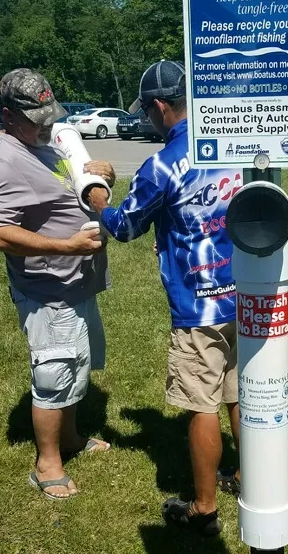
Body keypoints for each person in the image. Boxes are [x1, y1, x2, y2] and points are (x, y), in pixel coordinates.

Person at [87, 60, 242, 536]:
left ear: (158, 107)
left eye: (147, 113)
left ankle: (205, 508)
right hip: (247, 294)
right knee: (241, 393)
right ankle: (249, 476)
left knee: (203, 403)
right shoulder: (234, 140)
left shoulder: (161, 166)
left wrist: (95, 194)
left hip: (198, 304)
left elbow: (125, 225)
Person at [0, 68, 115, 500]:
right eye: (37, 119)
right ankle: (47, 464)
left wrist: (100, 175)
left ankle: (70, 437)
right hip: (48, 289)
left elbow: (72, 190)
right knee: (55, 373)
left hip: (74, 284)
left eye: (49, 115)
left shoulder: (39, 144)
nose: (48, 125)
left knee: (76, 365)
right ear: (7, 115)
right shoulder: (4, 161)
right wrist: (67, 246)